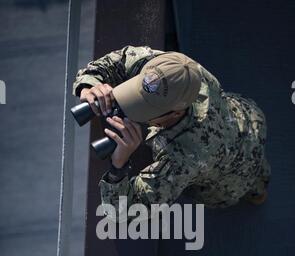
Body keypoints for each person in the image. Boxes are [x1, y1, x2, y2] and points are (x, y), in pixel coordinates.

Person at [73, 45, 270, 216]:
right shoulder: (175, 70)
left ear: (175, 113)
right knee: (261, 170)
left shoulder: (183, 158)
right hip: (249, 118)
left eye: (146, 110)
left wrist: (119, 166)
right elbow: (122, 59)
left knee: (250, 181)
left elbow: (125, 212)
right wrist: (89, 86)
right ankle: (260, 189)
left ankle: (258, 191)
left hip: (230, 179)